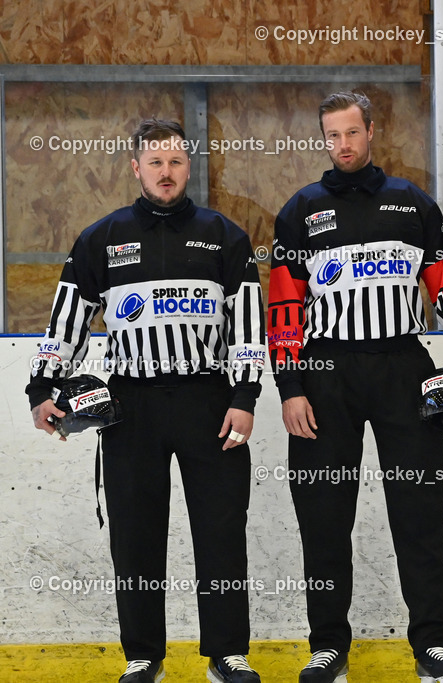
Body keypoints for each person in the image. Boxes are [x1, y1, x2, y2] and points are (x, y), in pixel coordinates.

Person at [27, 119, 266, 683]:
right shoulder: (100, 238)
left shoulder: (224, 235)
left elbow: (250, 330)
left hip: (211, 403)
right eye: (155, 163)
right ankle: (143, 655)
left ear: (190, 168)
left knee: (222, 530)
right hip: (130, 407)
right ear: (136, 168)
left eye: (176, 162)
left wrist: (245, 395)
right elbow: (67, 321)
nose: (166, 172)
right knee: (134, 534)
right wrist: (42, 386)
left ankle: (227, 654)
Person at [267, 91, 443, 683]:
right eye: (331, 137)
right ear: (323, 140)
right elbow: (285, 311)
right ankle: (327, 646)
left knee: (419, 511)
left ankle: (433, 644)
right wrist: (289, 388)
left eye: (351, 133)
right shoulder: (299, 212)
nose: (342, 145)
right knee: (323, 515)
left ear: (371, 132)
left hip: (403, 368)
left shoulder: (411, 203)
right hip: (324, 376)